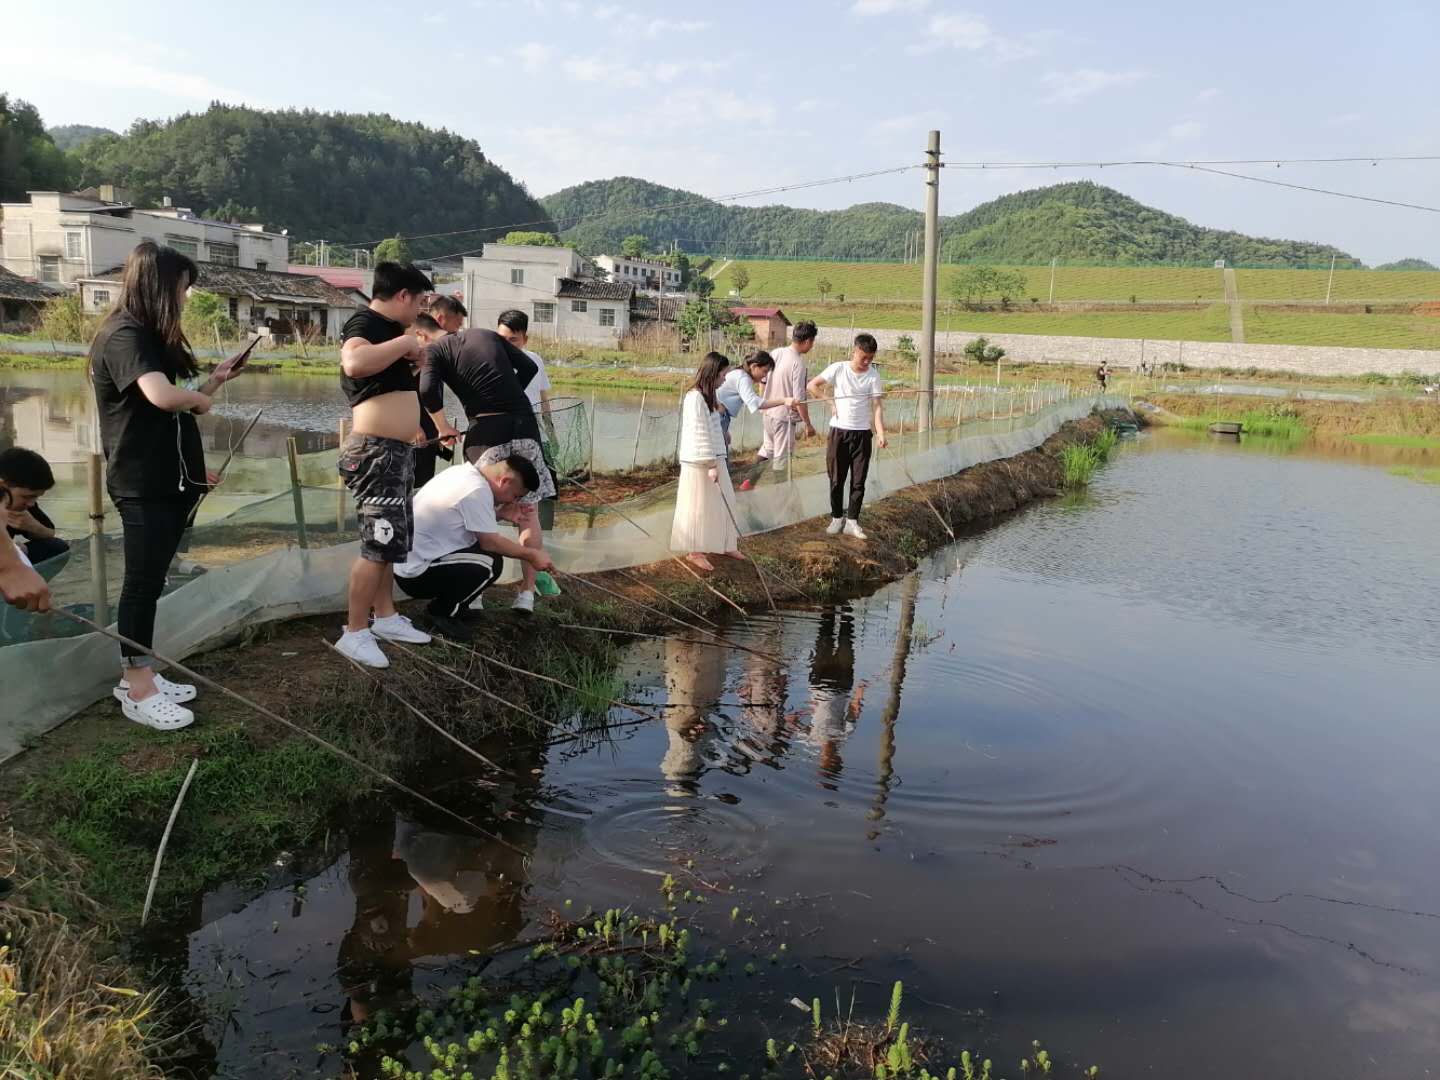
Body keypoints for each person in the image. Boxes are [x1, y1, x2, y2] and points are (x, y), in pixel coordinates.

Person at [90, 240, 249, 729]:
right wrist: (199, 403)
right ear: (159, 286)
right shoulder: (123, 335)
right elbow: (161, 397)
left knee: (154, 578)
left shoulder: (148, 338)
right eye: (181, 289)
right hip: (140, 482)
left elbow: (171, 413)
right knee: (141, 583)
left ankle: (144, 673)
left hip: (169, 479)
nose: (184, 298)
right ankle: (137, 688)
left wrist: (214, 383)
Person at [336, 260, 436, 670]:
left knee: (390, 540)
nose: (419, 312)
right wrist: (405, 344)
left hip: (393, 452)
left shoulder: (391, 333)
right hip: (374, 451)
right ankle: (355, 631)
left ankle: (386, 616)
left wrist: (411, 356)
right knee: (376, 543)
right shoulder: (366, 323)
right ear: (402, 296)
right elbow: (354, 364)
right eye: (419, 302)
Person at [419, 325, 553, 613]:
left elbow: (428, 389)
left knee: (479, 502)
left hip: (488, 427)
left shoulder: (435, 349)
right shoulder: (487, 334)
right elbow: (528, 366)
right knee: (528, 511)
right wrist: (511, 393)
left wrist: (442, 427)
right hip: (525, 423)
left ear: (424, 333)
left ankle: (475, 593)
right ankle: (527, 594)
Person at [395, 454, 555, 639]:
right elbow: (490, 542)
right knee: (490, 564)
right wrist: (532, 555)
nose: (512, 501)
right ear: (505, 481)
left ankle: (456, 607)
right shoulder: (476, 490)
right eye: (515, 495)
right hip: (416, 574)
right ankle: (441, 612)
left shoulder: (463, 473)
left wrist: (499, 514)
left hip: (411, 564)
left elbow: (463, 521)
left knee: (486, 558)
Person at [808, 333, 888, 541]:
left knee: (858, 481)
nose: (867, 362)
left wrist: (880, 433)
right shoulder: (838, 368)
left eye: (871, 358)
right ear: (855, 351)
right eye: (864, 357)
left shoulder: (873, 376)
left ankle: (852, 521)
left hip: (862, 434)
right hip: (839, 432)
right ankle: (836, 518)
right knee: (836, 479)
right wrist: (829, 401)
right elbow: (812, 386)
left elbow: (877, 407)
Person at [671, 352, 743, 571]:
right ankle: (694, 551)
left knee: (725, 501)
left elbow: (712, 423)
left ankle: (725, 543)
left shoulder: (709, 396)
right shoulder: (695, 398)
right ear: (714, 373)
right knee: (698, 506)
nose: (724, 379)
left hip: (714, 457)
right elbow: (699, 432)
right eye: (723, 374)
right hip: (700, 461)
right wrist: (710, 464)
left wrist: (723, 434)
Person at [493, 309, 559, 533]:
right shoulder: (491, 361)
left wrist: (551, 433)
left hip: (530, 434)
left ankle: (536, 545)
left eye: (514, 340)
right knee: (502, 491)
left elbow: (543, 399)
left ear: (525, 339)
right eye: (502, 339)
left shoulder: (534, 361)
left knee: (532, 496)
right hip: (501, 436)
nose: (507, 345)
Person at [740, 320, 817, 490]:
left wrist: (763, 403)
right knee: (781, 457)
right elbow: (798, 399)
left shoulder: (776, 353)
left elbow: (763, 380)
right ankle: (780, 495)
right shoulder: (798, 363)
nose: (812, 346)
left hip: (768, 413)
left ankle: (748, 483)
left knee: (767, 449)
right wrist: (808, 424)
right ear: (807, 341)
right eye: (812, 342)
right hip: (784, 418)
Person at [0, 447, 69, 572]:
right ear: (3, 485)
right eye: (26, 497)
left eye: (36, 497)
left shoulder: (23, 506)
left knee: (57, 547)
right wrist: (11, 550)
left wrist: (32, 526)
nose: (31, 504)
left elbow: (50, 533)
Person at [716, 350, 797, 452]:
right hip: (719, 415)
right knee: (720, 456)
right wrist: (784, 400)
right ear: (754, 366)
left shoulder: (741, 375)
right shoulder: (743, 378)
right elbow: (754, 401)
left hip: (721, 416)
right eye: (764, 371)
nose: (765, 375)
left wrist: (725, 430)